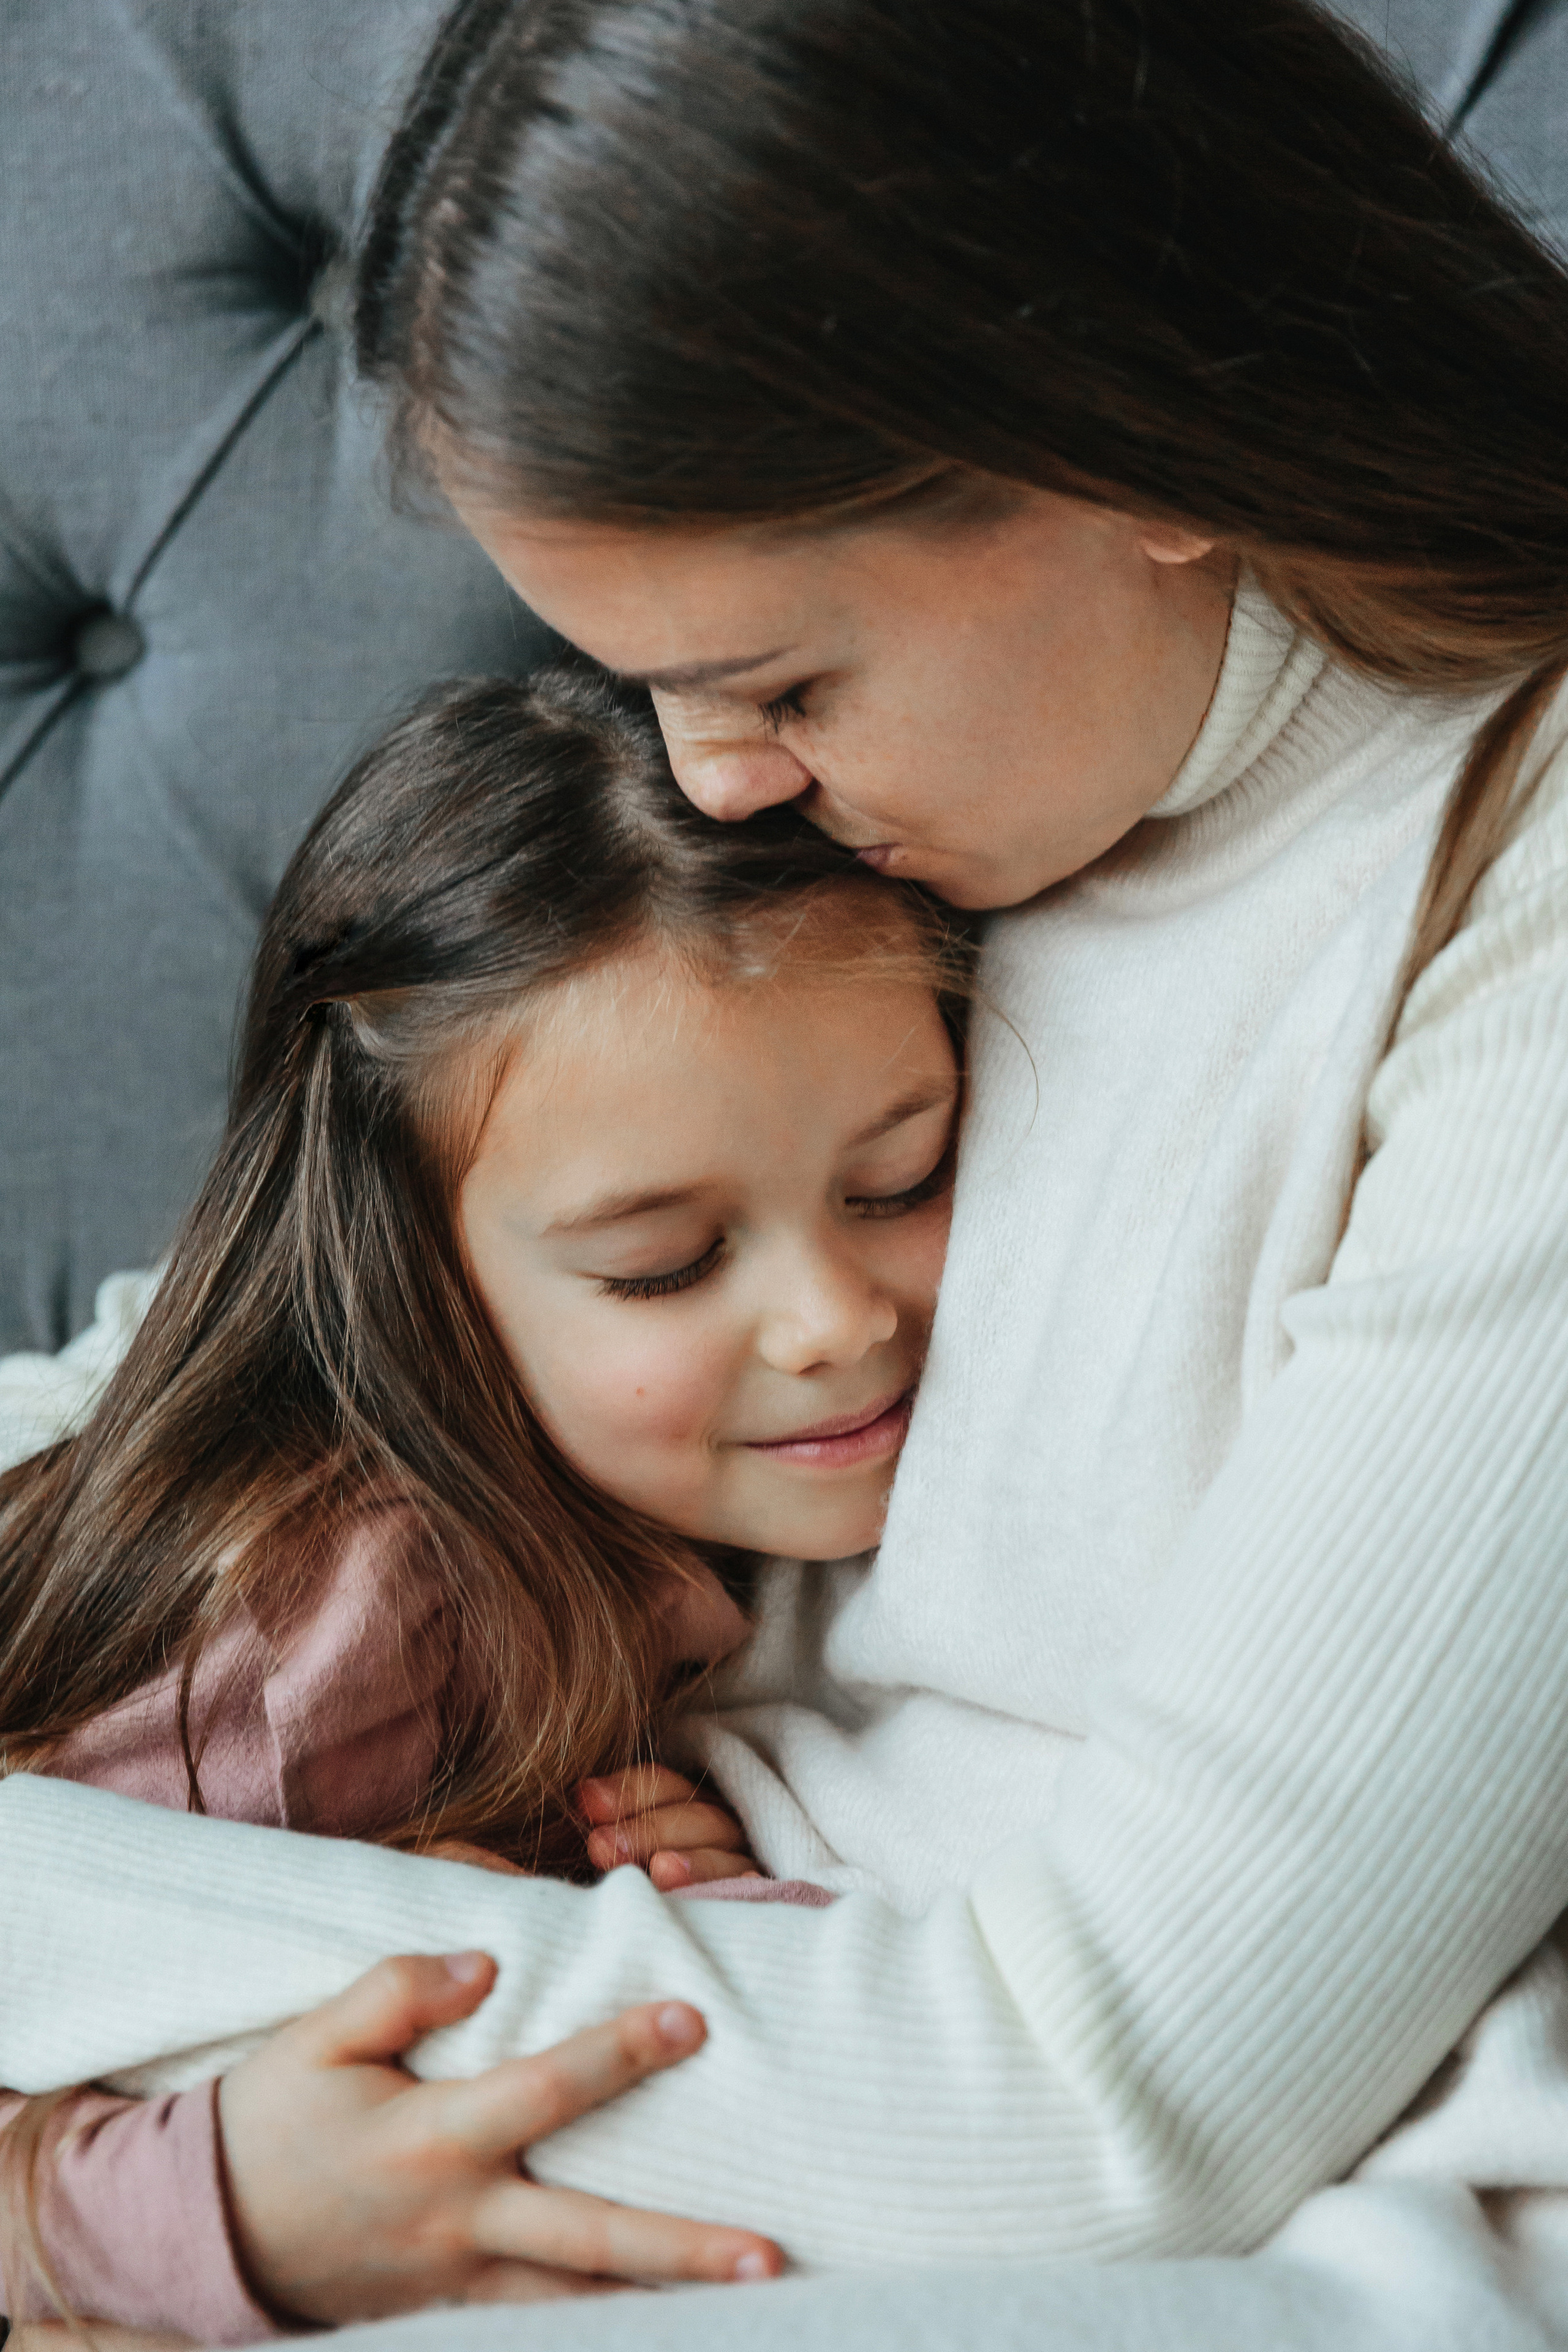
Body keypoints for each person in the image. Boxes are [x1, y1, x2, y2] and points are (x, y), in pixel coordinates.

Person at [4, 0, 1568, 2338]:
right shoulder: (1005, 776)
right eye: (642, 684)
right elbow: (240, 1351)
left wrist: (132, 2126)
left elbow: (1099, 2102)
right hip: (682, 1972)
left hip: (1104, 2187)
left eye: (781, 681)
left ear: (1146, 439)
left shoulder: (1492, 897)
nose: (709, 787)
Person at [0, 660, 968, 2336]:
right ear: (417, 1284)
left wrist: (654, 1880)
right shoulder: (338, 1608)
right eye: (664, 1266)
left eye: (904, 1179)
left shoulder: (609, 1525)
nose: (837, 1323)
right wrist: (200, 2208)